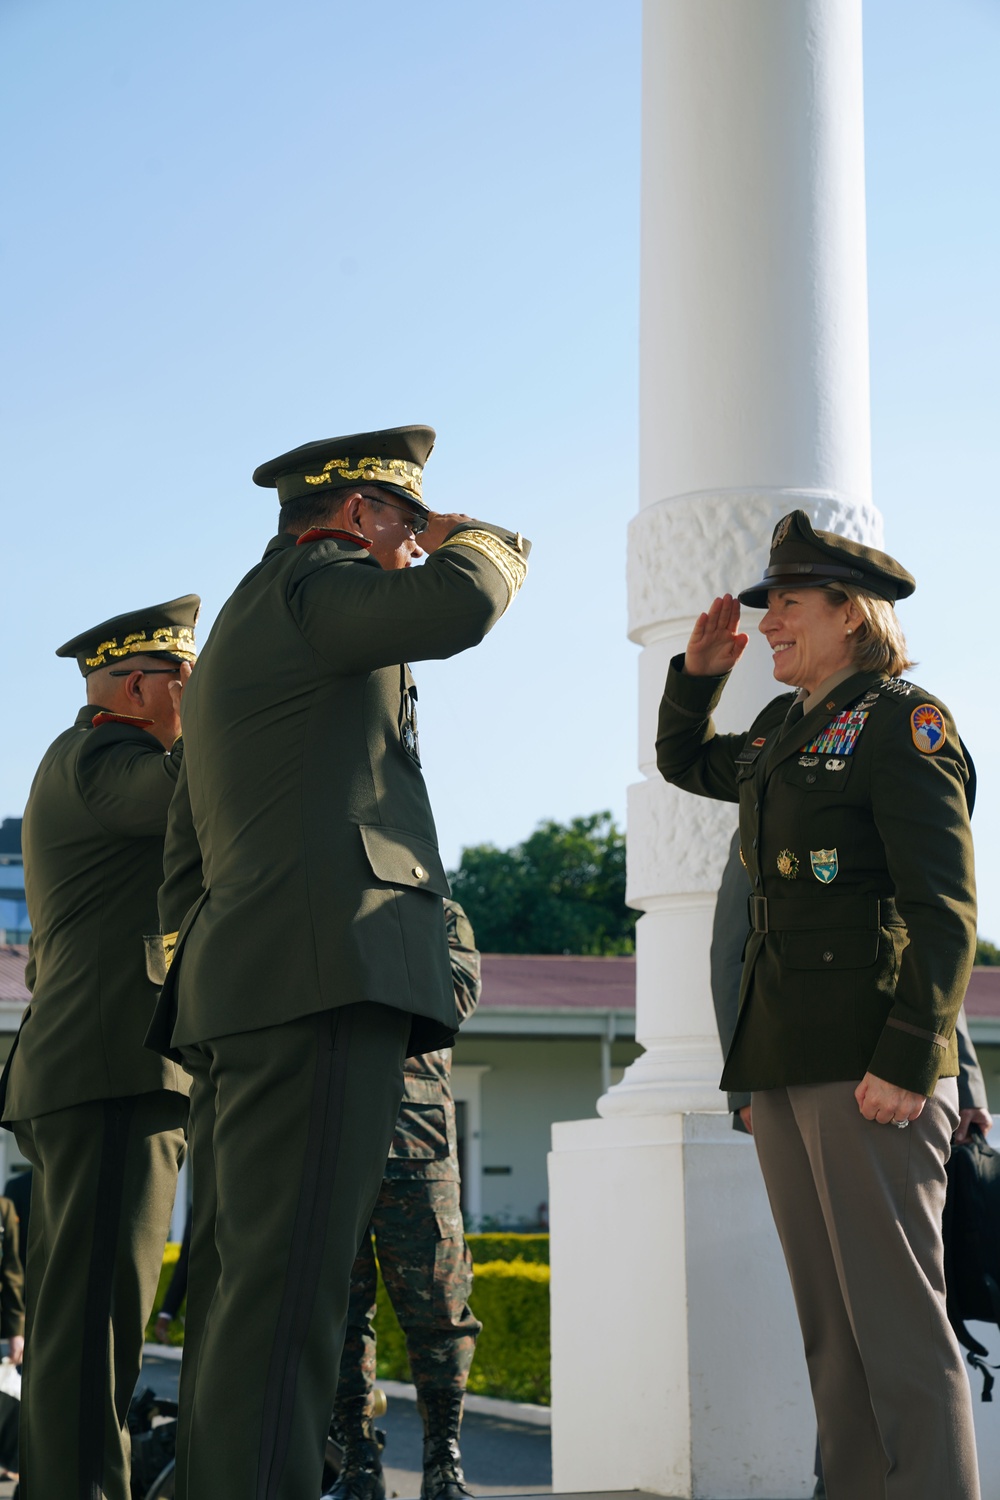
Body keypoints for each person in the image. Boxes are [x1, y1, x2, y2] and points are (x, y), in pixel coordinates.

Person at [149, 424, 528, 1500]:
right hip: (320, 981)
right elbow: (460, 604)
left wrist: (217, 972)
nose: (414, 546)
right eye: (405, 523)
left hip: (261, 984)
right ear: (356, 515)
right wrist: (481, 539)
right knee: (292, 1301)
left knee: (253, 1289)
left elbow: (185, 854)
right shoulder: (314, 584)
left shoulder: (244, 629)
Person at [656, 510, 980, 1500]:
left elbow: (945, 910)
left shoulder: (903, 723)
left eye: (786, 604)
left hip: (864, 1062)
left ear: (849, 612)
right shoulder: (776, 730)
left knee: (896, 1325)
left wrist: (911, 1054)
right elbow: (683, 762)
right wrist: (695, 677)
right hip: (781, 1060)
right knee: (830, 1329)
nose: (768, 624)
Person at [710, 826, 993, 1499]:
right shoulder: (768, 785)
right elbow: (734, 946)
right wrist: (747, 1079)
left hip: (895, 1084)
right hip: (794, 1072)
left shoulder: (884, 755)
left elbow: (926, 934)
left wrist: (967, 1084)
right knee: (837, 1330)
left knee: (904, 1324)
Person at [0, 596, 197, 1499]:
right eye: (181, 677)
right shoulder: (106, 757)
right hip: (110, 1068)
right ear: (133, 686)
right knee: (92, 1337)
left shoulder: (88, 757)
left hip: (104, 1068)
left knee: (92, 1330)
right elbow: (199, 795)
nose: (196, 690)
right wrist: (195, 734)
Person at [326, 899, 482, 1500]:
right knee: (337, 1315)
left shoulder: (436, 912)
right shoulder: (318, 896)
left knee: (441, 1314)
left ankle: (443, 1463)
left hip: (417, 1143)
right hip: (330, 1134)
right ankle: (358, 1462)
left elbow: (453, 996)